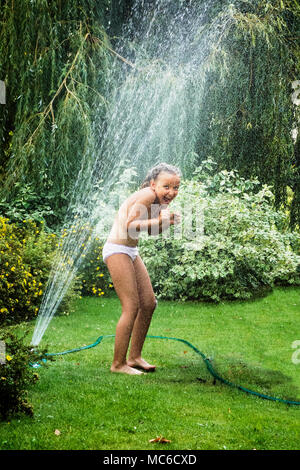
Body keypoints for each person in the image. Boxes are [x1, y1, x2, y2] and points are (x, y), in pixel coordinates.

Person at [102, 163, 181, 375]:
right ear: (154, 184)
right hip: (117, 249)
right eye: (166, 186)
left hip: (130, 251)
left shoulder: (158, 201)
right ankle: (118, 364)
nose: (171, 192)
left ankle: (134, 357)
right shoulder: (147, 195)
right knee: (132, 306)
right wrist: (159, 219)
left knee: (148, 303)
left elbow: (153, 232)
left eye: (176, 187)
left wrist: (167, 222)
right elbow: (130, 225)